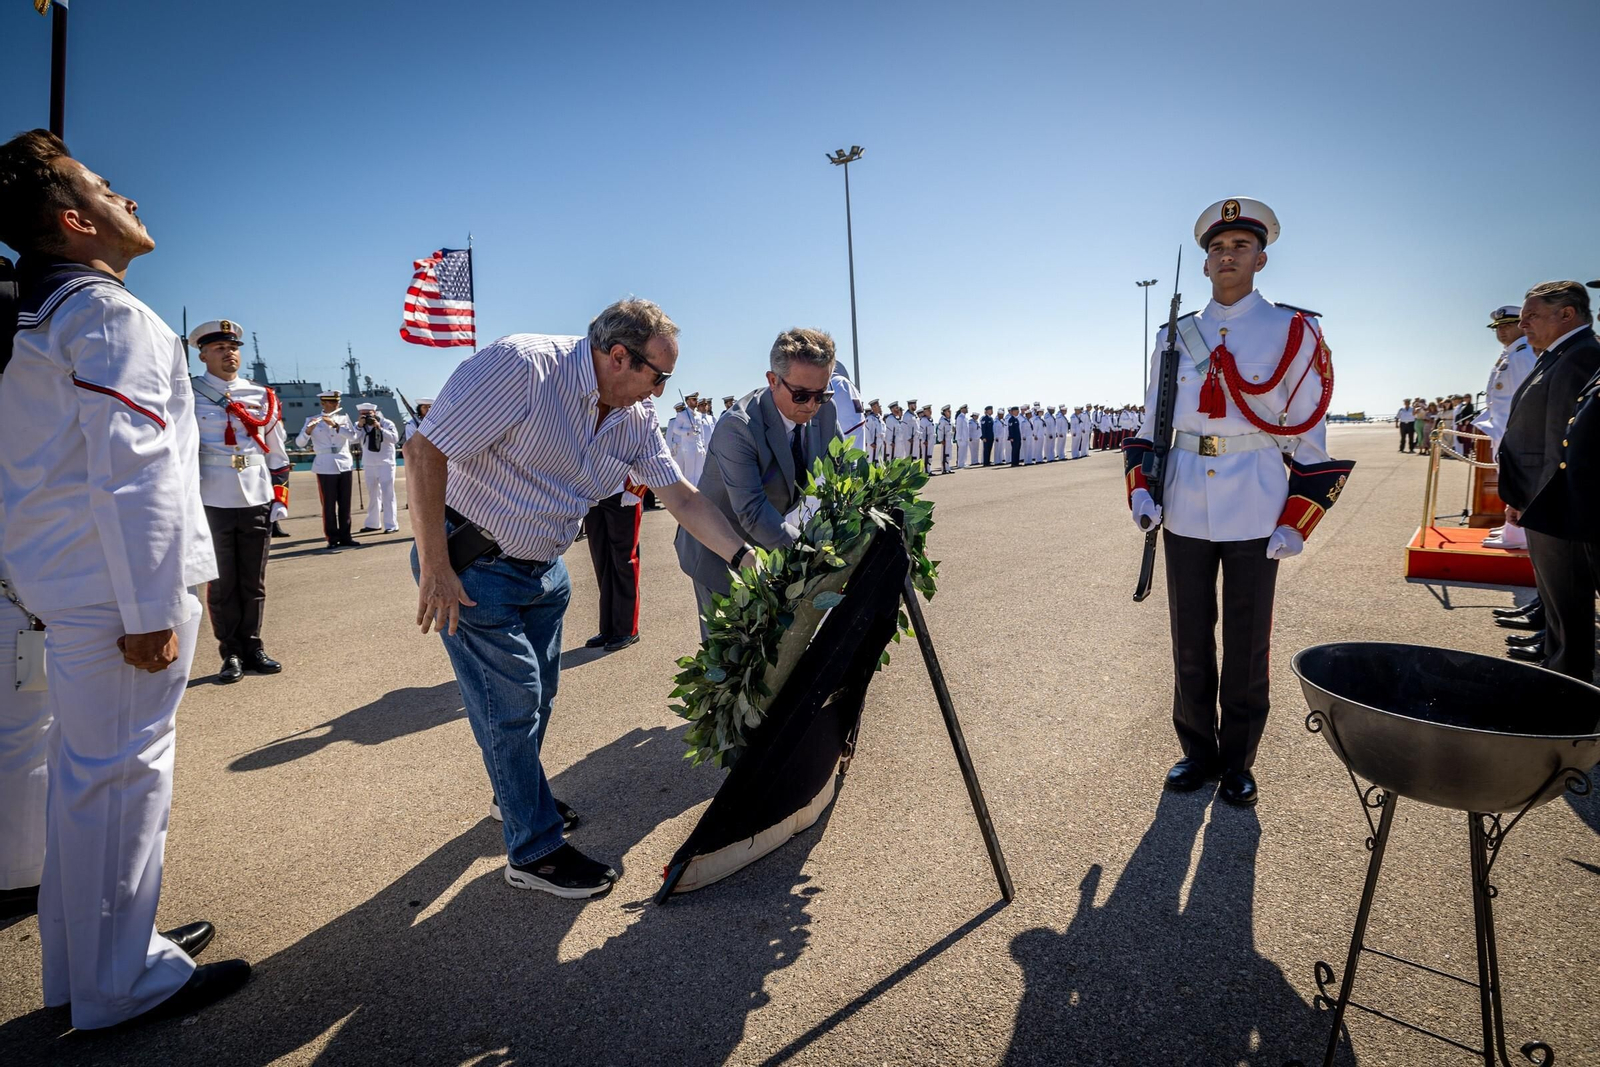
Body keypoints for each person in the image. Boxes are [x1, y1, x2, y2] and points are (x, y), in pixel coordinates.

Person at [0, 128, 249, 1026]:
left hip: (68, 582)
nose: (128, 198)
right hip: (113, 590)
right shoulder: (108, 315)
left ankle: (86, 964)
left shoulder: (39, 315)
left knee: (89, 775)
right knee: (122, 776)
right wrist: (152, 606)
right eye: (104, 188)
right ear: (73, 220)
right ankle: (120, 982)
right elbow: (133, 467)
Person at [408, 298, 759, 899]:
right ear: (618, 356)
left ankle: (513, 795)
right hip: (471, 563)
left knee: (539, 698)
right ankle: (533, 849)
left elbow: (682, 498)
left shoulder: (634, 415)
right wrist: (436, 568)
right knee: (513, 700)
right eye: (660, 375)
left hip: (543, 568)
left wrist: (746, 560)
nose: (662, 391)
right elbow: (424, 451)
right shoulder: (523, 367)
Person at [1123, 196, 1351, 807]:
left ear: (1262, 257)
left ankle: (1239, 760)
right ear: (1204, 265)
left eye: (1240, 246)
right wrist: (1143, 489)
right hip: (1186, 500)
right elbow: (1152, 421)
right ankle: (1196, 751)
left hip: (1256, 497)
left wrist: (1299, 518)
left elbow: (1309, 433)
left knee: (1248, 639)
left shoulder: (1293, 331)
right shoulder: (1175, 336)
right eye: (1218, 249)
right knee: (1190, 636)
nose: (1228, 256)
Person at [677, 328, 840, 635]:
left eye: (822, 394)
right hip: (720, 550)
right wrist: (816, 559)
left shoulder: (823, 409)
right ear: (773, 380)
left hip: (770, 545)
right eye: (801, 395)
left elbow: (846, 468)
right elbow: (752, 511)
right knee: (735, 657)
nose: (812, 405)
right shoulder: (738, 428)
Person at [1497, 281, 1600, 680]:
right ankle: (1554, 662)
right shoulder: (1558, 354)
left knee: (1568, 593)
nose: (1523, 325)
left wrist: (1536, 498)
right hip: (1540, 493)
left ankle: (1566, 677)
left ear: (1567, 315)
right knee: (1556, 594)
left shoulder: (1581, 357)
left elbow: (1562, 444)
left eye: (1532, 316)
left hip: (1554, 497)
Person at [189, 318, 290, 683]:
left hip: (256, 495)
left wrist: (279, 497)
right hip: (211, 497)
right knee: (221, 581)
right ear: (202, 354)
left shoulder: (262, 396)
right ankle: (229, 652)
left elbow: (277, 453)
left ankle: (253, 646)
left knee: (253, 580)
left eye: (232, 348)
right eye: (219, 348)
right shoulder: (188, 392)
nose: (229, 354)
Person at [1476, 307, 1539, 549]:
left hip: (1514, 433)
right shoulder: (1510, 354)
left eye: (1507, 326)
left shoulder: (1523, 355)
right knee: (1508, 481)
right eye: (1498, 328)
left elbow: (1527, 400)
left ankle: (1517, 537)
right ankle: (1510, 527)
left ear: (1521, 326)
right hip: (1502, 431)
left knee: (1515, 482)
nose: (1502, 331)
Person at [582, 477, 645, 652]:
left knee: (625, 562)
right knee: (601, 560)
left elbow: (644, 453)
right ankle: (608, 628)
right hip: (593, 494)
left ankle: (627, 629)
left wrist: (637, 489)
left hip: (623, 492)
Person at [296, 389, 359, 550]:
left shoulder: (343, 419)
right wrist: (308, 431)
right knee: (328, 504)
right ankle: (332, 537)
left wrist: (337, 426)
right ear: (323, 403)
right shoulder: (312, 420)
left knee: (345, 503)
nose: (335, 404)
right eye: (332, 402)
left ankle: (346, 536)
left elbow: (354, 437)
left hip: (344, 463)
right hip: (325, 465)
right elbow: (300, 443)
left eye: (337, 402)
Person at [354, 402, 400, 533]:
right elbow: (353, 439)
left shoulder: (387, 423)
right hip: (369, 464)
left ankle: (391, 524)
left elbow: (394, 438)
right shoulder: (359, 426)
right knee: (373, 494)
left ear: (374, 413)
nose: (366, 416)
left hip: (386, 463)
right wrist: (359, 425)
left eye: (368, 414)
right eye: (363, 414)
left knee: (388, 494)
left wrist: (379, 428)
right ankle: (373, 523)